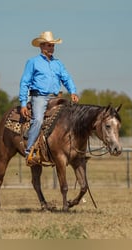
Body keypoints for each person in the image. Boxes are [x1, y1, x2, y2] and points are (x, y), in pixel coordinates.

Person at [19, 31, 79, 165]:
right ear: (41, 46)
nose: (51, 48)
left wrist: (73, 91)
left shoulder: (58, 63)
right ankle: (30, 151)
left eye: (53, 46)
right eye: (49, 45)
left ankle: (72, 149)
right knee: (39, 120)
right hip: (39, 97)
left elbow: (66, 78)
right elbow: (25, 82)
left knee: (71, 118)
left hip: (57, 97)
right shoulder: (33, 62)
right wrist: (23, 103)